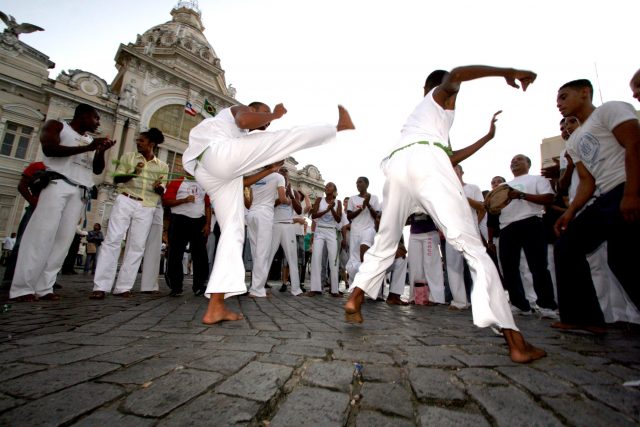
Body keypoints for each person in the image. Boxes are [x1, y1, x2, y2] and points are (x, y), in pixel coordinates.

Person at [344, 65, 546, 363]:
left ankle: (354, 298)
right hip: (426, 164)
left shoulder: (423, 119)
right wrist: (509, 71)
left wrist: (486, 139)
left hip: (399, 167)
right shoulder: (439, 96)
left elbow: (449, 156)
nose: (456, 96)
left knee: (385, 244)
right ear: (439, 88)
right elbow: (457, 73)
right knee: (473, 249)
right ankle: (514, 340)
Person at [183, 102, 354, 324]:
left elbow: (244, 179)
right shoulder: (238, 111)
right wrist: (275, 114)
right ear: (255, 109)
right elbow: (245, 119)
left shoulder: (237, 136)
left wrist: (269, 169)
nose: (267, 123)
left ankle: (216, 305)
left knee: (233, 233)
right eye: (265, 117)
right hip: (215, 154)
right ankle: (335, 127)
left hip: (210, 172)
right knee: (280, 140)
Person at [554, 79, 640, 332]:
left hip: (628, 186)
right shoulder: (573, 141)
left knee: (625, 260)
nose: (559, 104)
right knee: (568, 246)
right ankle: (584, 318)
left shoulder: (609, 110)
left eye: (564, 96)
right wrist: (570, 213)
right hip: (606, 197)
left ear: (584, 93)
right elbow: (586, 182)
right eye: (557, 100)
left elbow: (635, 145)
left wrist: (633, 193)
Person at [10, 104, 115, 302]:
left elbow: (97, 170)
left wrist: (99, 150)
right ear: (83, 116)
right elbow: (50, 149)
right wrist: (89, 147)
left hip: (79, 191)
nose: (98, 123)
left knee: (63, 241)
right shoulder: (57, 126)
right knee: (41, 235)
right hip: (57, 184)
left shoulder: (90, 140)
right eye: (96, 118)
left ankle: (45, 287)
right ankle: (22, 288)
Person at [90, 128, 168, 300]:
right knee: (113, 239)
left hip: (147, 205)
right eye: (138, 140)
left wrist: (159, 188)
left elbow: (162, 189)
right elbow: (116, 179)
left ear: (151, 143)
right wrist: (133, 173)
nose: (138, 143)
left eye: (142, 140)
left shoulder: (163, 166)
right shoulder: (129, 158)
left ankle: (124, 286)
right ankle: (101, 285)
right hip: (125, 199)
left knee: (137, 246)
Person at [498, 154, 558, 318]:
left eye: (519, 159)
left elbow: (549, 198)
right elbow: (495, 207)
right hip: (507, 226)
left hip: (531, 222)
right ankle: (519, 304)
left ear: (528, 164)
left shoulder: (537, 179)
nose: (514, 161)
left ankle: (547, 305)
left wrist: (522, 195)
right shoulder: (503, 185)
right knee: (508, 267)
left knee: (538, 266)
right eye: (512, 160)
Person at [163, 173, 211, 296]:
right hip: (179, 220)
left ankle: (199, 286)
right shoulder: (177, 181)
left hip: (198, 222)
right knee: (175, 253)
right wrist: (183, 200)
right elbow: (166, 201)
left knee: (200, 254)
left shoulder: (204, 183)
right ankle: (176, 286)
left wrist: (207, 224)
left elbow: (207, 206)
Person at [246, 163, 288, 297]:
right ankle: (257, 290)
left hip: (252, 215)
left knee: (255, 252)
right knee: (262, 253)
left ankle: (255, 287)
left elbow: (249, 202)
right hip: (264, 215)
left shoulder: (256, 177)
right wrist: (288, 201)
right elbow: (282, 198)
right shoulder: (278, 177)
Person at [2, 161, 45, 286]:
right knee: (22, 242)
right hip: (35, 209)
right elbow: (22, 185)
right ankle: (10, 277)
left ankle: (45, 279)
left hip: (55, 211)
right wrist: (34, 202)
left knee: (50, 245)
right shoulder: (38, 166)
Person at [267, 166, 304, 295]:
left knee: (292, 258)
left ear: (288, 177)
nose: (283, 175)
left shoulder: (294, 191)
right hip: (275, 224)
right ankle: (259, 286)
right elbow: (269, 205)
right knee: (268, 255)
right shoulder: (272, 188)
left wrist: (291, 196)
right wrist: (282, 198)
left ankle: (296, 289)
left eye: (285, 173)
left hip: (288, 225)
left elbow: (299, 211)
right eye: (280, 172)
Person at [309, 182, 343, 296]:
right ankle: (315, 288)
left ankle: (334, 290)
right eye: (326, 186)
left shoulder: (338, 202)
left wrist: (332, 209)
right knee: (316, 257)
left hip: (331, 231)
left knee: (334, 260)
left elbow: (338, 220)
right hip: (320, 230)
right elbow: (313, 215)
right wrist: (326, 210)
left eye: (329, 186)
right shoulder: (319, 200)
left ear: (334, 191)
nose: (326, 187)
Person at [346, 177, 381, 287]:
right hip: (355, 231)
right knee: (354, 258)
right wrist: (362, 208)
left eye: (360, 182)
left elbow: (377, 216)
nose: (357, 184)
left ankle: (371, 287)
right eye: (356, 182)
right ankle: (355, 286)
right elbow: (349, 216)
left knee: (368, 258)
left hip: (368, 231)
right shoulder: (352, 199)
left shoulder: (374, 198)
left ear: (367, 184)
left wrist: (368, 205)